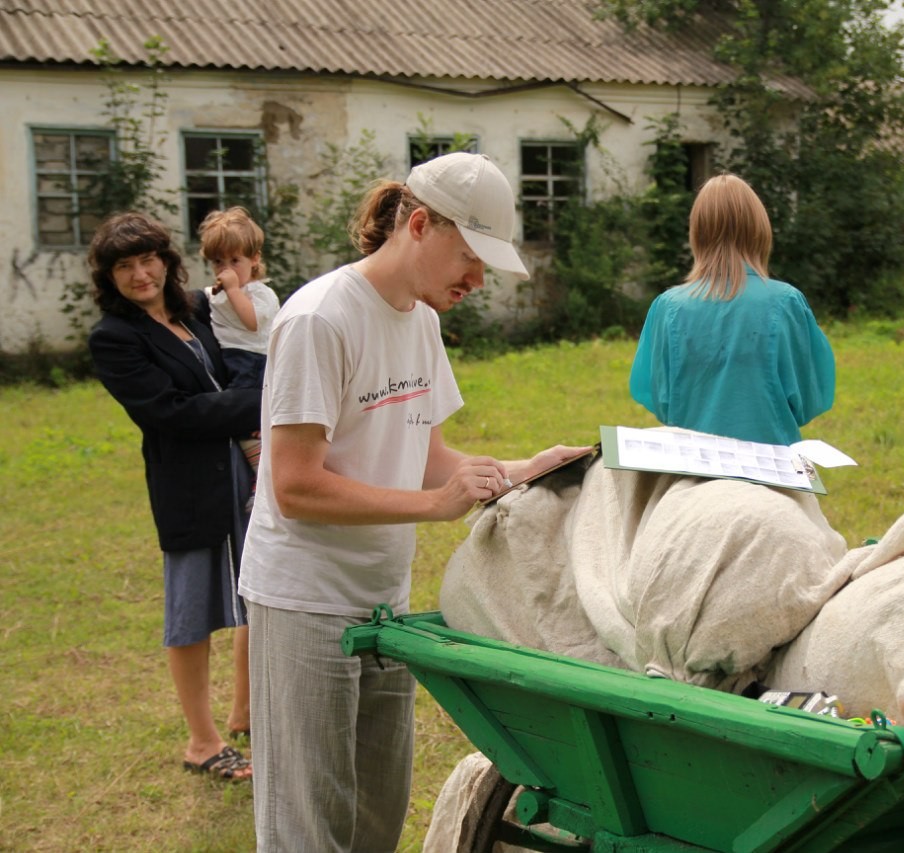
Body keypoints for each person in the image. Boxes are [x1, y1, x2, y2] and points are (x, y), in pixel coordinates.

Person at [238, 151, 588, 852]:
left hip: (383, 602)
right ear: (420, 224)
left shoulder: (420, 323)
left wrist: (525, 470)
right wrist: (435, 506)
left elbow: (429, 453)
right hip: (305, 601)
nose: (477, 279)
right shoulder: (319, 319)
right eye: (470, 256)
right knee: (310, 826)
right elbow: (295, 485)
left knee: (376, 817)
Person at [87, 211, 258, 781]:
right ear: (109, 277)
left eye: (147, 260)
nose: (140, 275)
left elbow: (235, 359)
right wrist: (263, 399)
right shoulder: (115, 338)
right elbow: (171, 414)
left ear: (165, 260)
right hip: (187, 486)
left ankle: (243, 713)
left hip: (239, 471)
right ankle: (201, 744)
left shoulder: (195, 309)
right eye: (125, 267)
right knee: (192, 612)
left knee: (254, 595)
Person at [629, 173, 836, 446]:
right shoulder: (786, 302)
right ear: (759, 230)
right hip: (771, 465)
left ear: (697, 233)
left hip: (692, 466)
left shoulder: (668, 307)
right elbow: (810, 399)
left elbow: (659, 401)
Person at [197, 206, 280, 489]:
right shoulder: (217, 294)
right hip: (232, 359)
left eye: (235, 261)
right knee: (245, 419)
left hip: (253, 360)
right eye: (219, 262)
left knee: (245, 418)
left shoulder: (259, 293)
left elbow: (252, 322)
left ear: (254, 259)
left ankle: (262, 475)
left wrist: (233, 290)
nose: (226, 270)